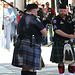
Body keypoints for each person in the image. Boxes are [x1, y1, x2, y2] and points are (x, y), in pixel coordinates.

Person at [12, 4, 47, 75]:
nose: (37, 13)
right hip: (31, 45)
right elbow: (44, 32)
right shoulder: (33, 18)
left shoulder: (22, 18)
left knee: (25, 67)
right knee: (32, 68)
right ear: (33, 11)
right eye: (36, 11)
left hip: (21, 43)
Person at [50, 4, 75, 75]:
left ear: (66, 10)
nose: (63, 12)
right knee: (60, 61)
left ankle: (71, 74)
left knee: (72, 61)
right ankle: (61, 74)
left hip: (69, 42)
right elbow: (57, 31)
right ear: (58, 11)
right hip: (59, 41)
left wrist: (73, 35)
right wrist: (69, 36)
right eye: (61, 11)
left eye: (64, 11)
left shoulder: (70, 18)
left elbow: (74, 27)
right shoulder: (55, 19)